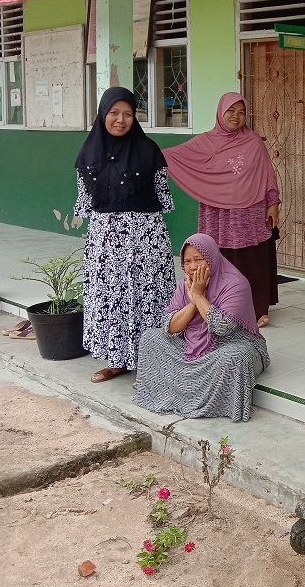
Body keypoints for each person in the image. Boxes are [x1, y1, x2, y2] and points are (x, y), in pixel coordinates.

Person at [74, 87, 176, 383]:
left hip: (147, 236)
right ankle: (117, 360)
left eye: (128, 114)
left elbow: (162, 196)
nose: (121, 120)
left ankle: (156, 357)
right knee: (113, 297)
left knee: (150, 295)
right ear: (103, 114)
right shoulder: (87, 153)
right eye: (114, 113)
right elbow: (85, 202)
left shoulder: (149, 150)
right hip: (105, 239)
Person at [163, 93, 280, 326]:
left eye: (241, 112)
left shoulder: (254, 142)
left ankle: (258, 309)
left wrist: (273, 203)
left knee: (251, 259)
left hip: (250, 211)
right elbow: (173, 156)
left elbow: (268, 175)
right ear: (220, 112)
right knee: (217, 258)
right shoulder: (205, 142)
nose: (236, 116)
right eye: (231, 111)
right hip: (216, 212)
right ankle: (217, 305)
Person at [134, 233, 271, 422]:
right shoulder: (186, 284)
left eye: (198, 259)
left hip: (232, 345)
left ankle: (186, 390)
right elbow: (170, 327)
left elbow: (222, 328)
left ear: (212, 258)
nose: (192, 267)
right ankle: (183, 390)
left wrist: (198, 296)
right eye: (187, 261)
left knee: (236, 357)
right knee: (150, 338)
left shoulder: (235, 284)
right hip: (193, 346)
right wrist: (191, 303)